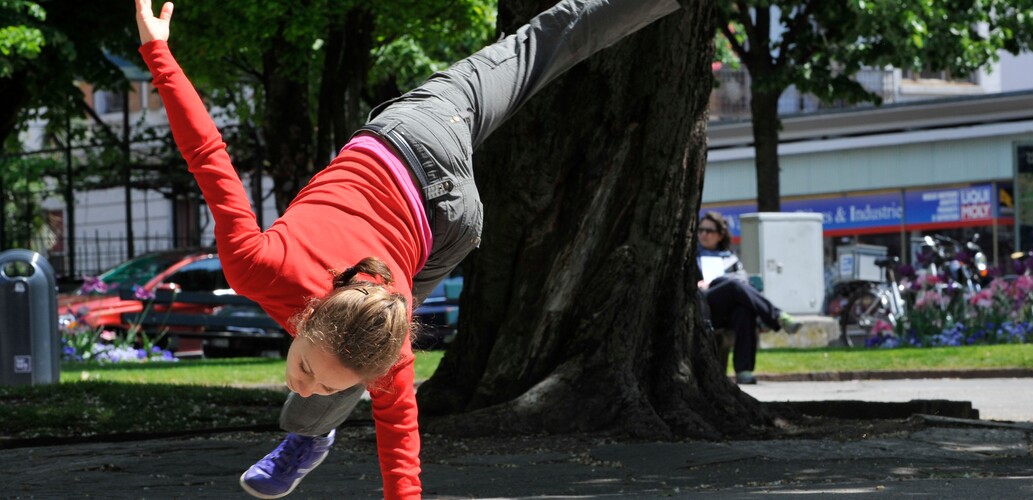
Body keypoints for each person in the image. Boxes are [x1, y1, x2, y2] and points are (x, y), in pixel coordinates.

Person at [133, 0, 680, 497]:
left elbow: (210, 154)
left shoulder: (316, 300)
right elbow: (207, 154)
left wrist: (161, 52)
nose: (306, 384)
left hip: (436, 178)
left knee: (539, 45)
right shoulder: (319, 301)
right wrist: (157, 51)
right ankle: (310, 437)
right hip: (439, 179)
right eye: (312, 375)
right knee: (537, 43)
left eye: (316, 379)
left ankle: (307, 438)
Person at [697, 212, 800, 385]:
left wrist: (720, 281)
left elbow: (743, 282)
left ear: (720, 235)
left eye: (709, 231)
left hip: (725, 311)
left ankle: (744, 371)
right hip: (703, 305)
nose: (703, 234)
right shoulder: (692, 256)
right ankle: (777, 316)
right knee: (732, 285)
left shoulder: (731, 260)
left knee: (743, 311)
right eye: (700, 230)